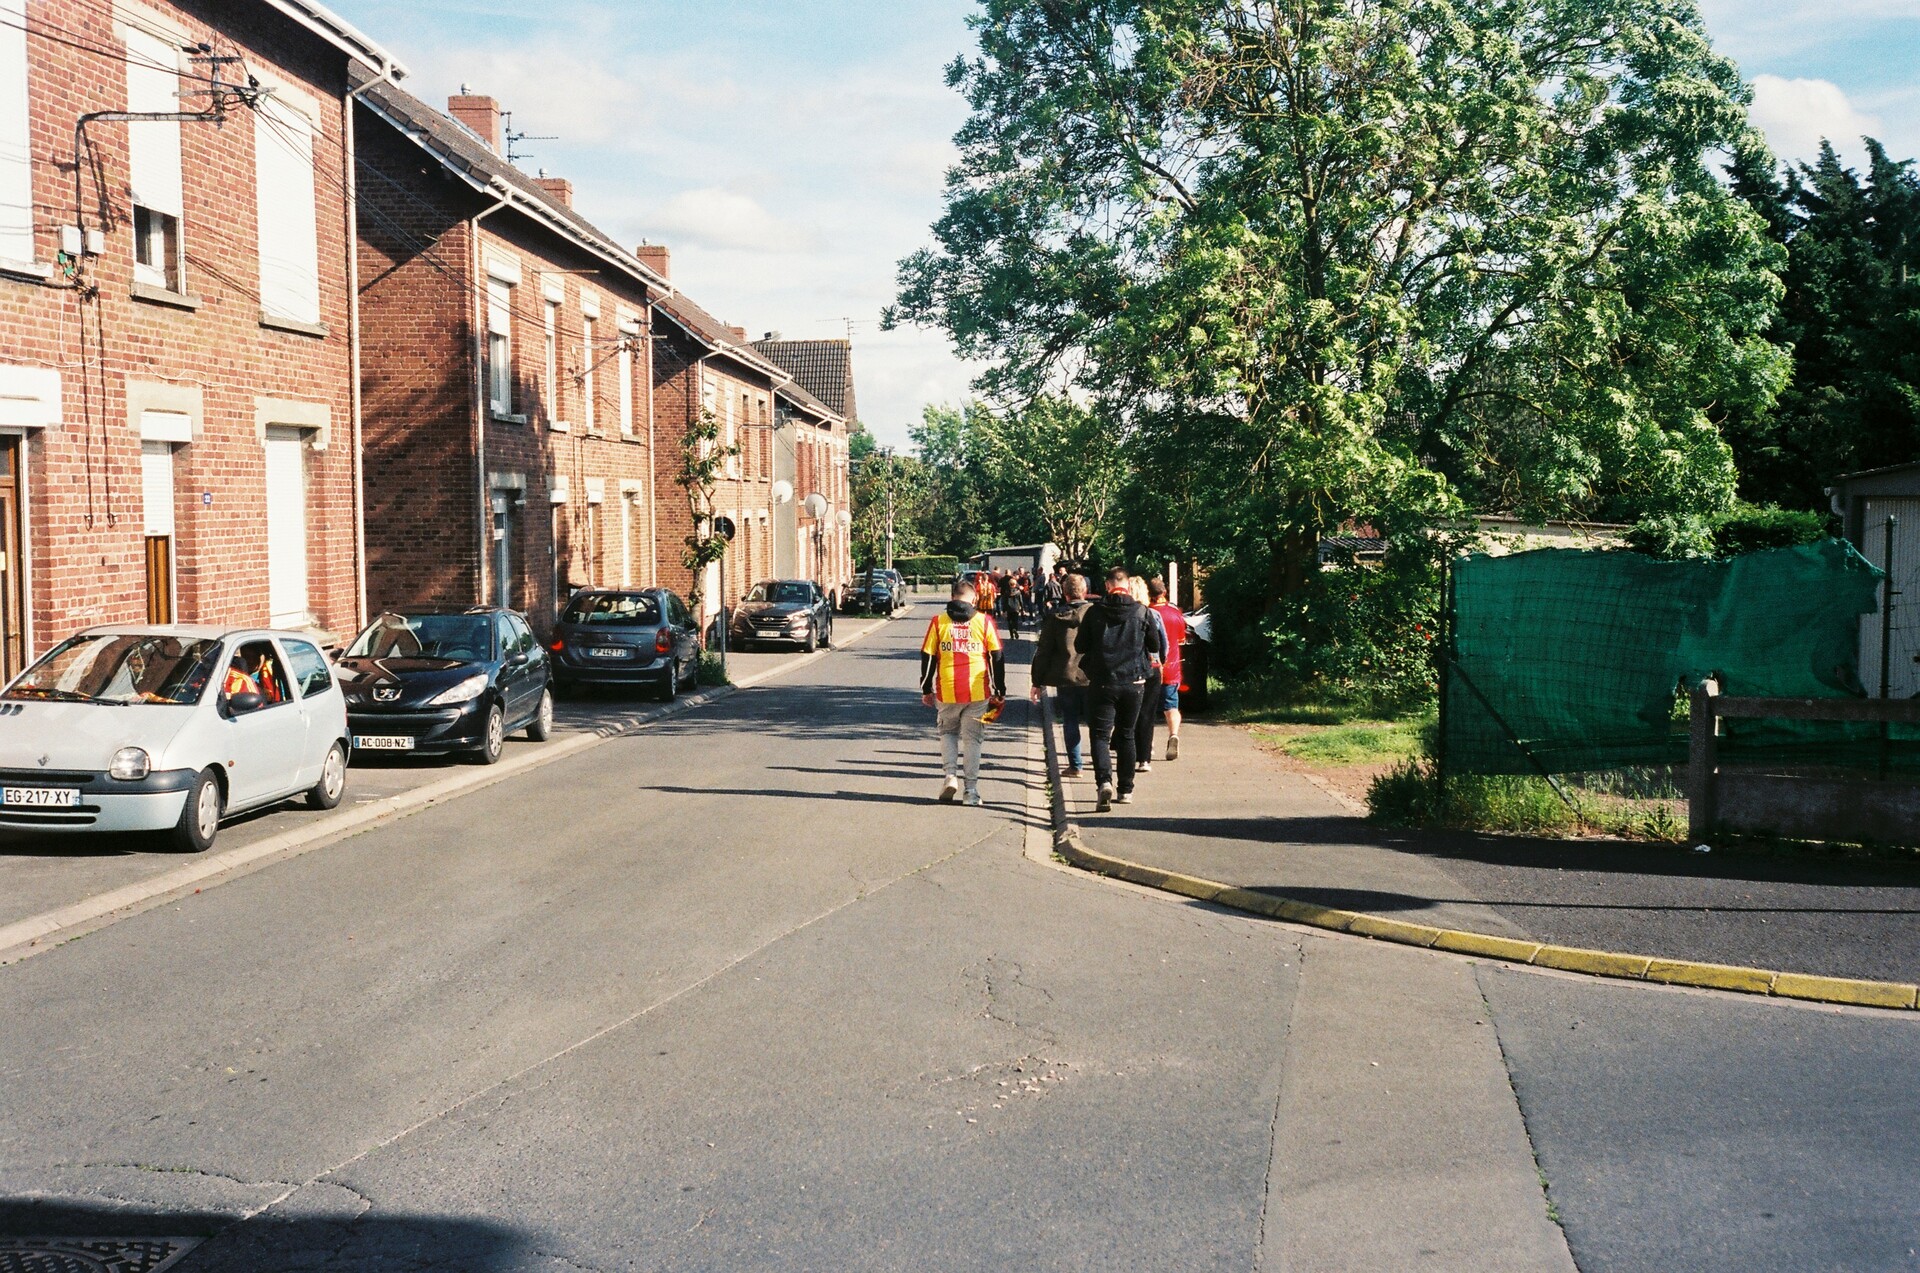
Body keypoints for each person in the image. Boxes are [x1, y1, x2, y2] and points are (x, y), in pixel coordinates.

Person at [1075, 567, 1155, 812]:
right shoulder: (1142, 612)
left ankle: (1104, 782)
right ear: (1128, 585)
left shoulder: (1094, 612)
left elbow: (1080, 644)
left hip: (1102, 681)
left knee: (1100, 735)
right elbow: (1154, 644)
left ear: (1108, 585)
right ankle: (1126, 789)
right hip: (1133, 681)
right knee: (1127, 734)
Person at [921, 578, 1006, 807]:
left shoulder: (938, 622)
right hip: (977, 691)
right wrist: (1000, 689)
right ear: (974, 598)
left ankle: (950, 776)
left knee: (947, 732)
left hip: (947, 690)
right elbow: (996, 657)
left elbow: (927, 656)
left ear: (952, 598)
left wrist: (926, 687)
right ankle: (971, 791)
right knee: (973, 740)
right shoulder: (984, 622)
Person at [1030, 573, 1094, 776]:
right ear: (1085, 591)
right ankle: (1101, 760)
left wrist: (1037, 681)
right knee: (1096, 722)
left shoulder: (1055, 617)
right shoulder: (1095, 614)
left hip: (1065, 676)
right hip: (1092, 675)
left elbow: (1044, 651)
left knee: (1070, 719)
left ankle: (1076, 765)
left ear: (1064, 594)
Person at [1127, 576, 1170, 772]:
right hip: (1152, 668)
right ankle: (1144, 759)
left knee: (1128, 713)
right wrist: (1160, 660)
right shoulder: (1153, 615)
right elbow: (1163, 644)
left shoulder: (1123, 615)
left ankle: (1129, 752)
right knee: (1147, 714)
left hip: (1128, 668)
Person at [1148, 576, 1188, 760]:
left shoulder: (1146, 613)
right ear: (1164, 592)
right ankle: (1173, 735)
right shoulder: (1175, 613)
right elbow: (1182, 639)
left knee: (1146, 708)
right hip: (1171, 667)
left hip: (1150, 666)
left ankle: (1147, 744)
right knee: (1171, 706)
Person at [999, 567, 1024, 639]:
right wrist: (1022, 609)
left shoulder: (1007, 592)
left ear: (1009, 584)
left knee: (1009, 621)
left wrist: (1003, 610)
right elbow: (1020, 600)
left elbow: (1004, 601)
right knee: (1015, 620)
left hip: (1008, 608)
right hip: (1016, 608)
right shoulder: (1018, 592)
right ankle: (1015, 629)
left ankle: (1011, 635)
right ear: (1015, 584)